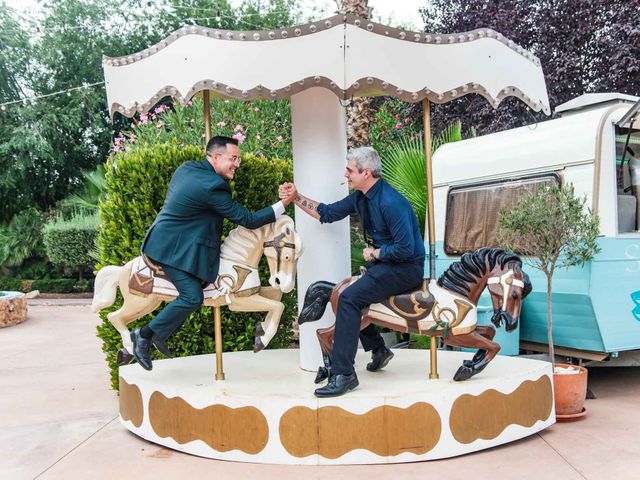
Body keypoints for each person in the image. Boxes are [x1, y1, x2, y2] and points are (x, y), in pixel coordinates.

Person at [130, 135, 296, 370]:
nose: (237, 164)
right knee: (193, 297)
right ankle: (143, 336)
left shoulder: (188, 168)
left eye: (238, 158)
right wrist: (283, 204)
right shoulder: (213, 186)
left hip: (172, 242)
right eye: (233, 158)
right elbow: (247, 219)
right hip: (170, 251)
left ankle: (160, 335)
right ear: (216, 157)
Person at [279, 146, 425, 397]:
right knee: (349, 292)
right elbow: (326, 213)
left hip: (406, 269)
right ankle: (379, 348)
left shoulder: (391, 202)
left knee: (348, 298)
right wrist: (296, 197)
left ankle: (344, 374)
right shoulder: (360, 197)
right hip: (386, 266)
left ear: (366, 173)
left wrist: (375, 254)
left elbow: (405, 249)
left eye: (350, 170)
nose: (346, 174)